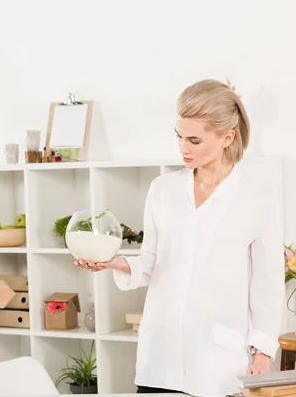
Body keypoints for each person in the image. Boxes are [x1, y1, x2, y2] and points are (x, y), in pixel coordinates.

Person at [75, 79, 284, 397]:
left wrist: (263, 353)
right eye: (179, 137)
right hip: (160, 358)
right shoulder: (163, 190)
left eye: (194, 140)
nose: (183, 148)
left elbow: (267, 287)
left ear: (227, 137)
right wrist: (117, 263)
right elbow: (151, 262)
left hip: (219, 364)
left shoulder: (258, 199)